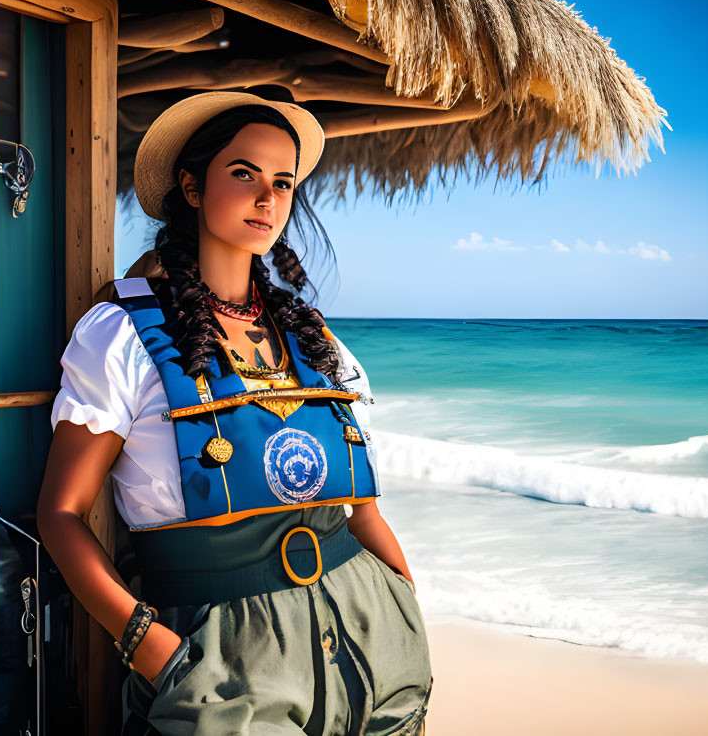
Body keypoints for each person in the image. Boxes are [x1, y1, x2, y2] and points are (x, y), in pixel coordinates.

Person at [37, 92, 432, 735]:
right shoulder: (124, 334)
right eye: (244, 173)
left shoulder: (313, 339)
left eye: (282, 182)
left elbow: (363, 513)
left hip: (374, 643)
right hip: (221, 658)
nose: (268, 197)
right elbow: (60, 514)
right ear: (191, 187)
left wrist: (405, 608)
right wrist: (153, 650)